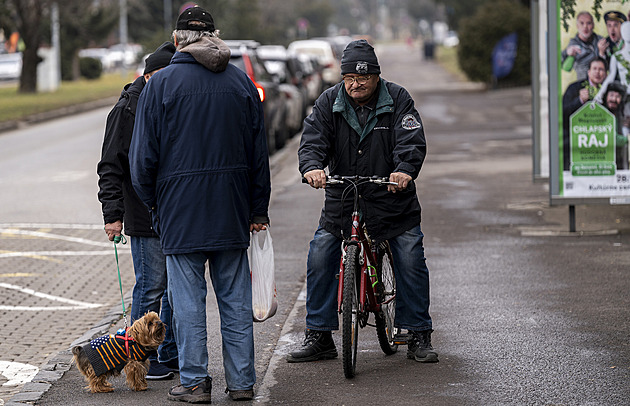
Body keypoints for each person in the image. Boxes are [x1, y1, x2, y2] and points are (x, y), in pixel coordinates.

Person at [129, 6, 271, 403]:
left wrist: (155, 206)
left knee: (187, 304)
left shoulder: (159, 86)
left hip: (180, 213)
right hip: (231, 210)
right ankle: (241, 383)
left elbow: (142, 161)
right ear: (215, 37)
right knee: (236, 303)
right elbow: (258, 155)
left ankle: (193, 382)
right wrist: (258, 209)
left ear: (177, 40)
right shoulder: (242, 83)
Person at [288, 39, 438, 365]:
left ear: (376, 76)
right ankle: (319, 334)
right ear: (342, 79)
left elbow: (411, 140)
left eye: (363, 78)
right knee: (320, 252)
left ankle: (417, 332)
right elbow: (313, 139)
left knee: (410, 254)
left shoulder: (398, 99)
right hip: (343, 197)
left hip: (391, 197)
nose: (356, 85)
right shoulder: (329, 101)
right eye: (349, 79)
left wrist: (404, 170)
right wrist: (312, 166)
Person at [96, 41, 178, 380]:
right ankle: (140, 357)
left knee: (176, 288)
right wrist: (112, 215)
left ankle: (168, 351)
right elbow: (110, 166)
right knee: (151, 286)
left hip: (175, 213)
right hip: (143, 215)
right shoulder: (127, 109)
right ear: (153, 74)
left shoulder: (169, 101)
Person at [562, 57, 607, 170]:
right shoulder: (575, 88)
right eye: (594, 69)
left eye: (601, 69)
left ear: (606, 74)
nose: (597, 72)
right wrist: (580, 101)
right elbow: (563, 113)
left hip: (602, 146)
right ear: (588, 72)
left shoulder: (609, 91)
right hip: (575, 145)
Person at [562, 11, 604, 81]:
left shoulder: (600, 40)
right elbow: (565, 67)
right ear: (577, 26)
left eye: (589, 23)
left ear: (593, 25)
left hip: (601, 82)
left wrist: (602, 53)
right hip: (583, 83)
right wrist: (567, 52)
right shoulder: (573, 45)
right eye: (582, 23)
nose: (585, 27)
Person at [602, 81, 629, 169]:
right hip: (604, 163)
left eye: (618, 96)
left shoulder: (619, 113)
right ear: (606, 96)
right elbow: (611, 139)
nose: (614, 99)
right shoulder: (602, 113)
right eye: (612, 95)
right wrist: (628, 139)